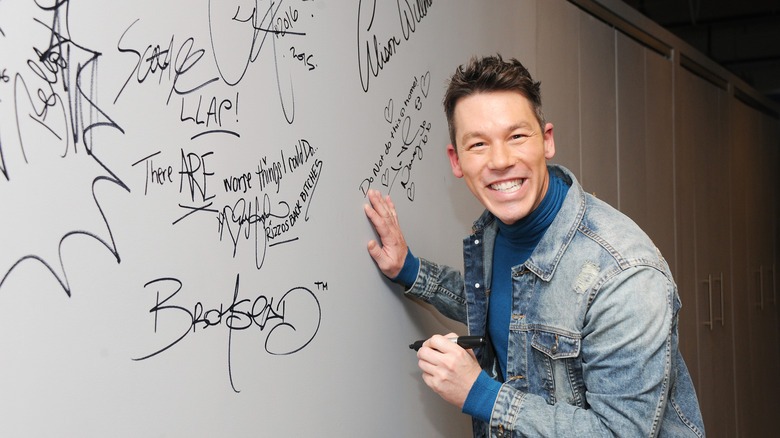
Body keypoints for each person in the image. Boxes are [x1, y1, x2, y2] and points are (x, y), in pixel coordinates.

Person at [364, 55, 704, 437]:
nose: (501, 160)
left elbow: (621, 432)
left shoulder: (625, 275)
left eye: (517, 137)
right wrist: (407, 268)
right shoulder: (494, 233)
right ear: (456, 161)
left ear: (547, 141)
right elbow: (504, 309)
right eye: (478, 144)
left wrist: (483, 395)